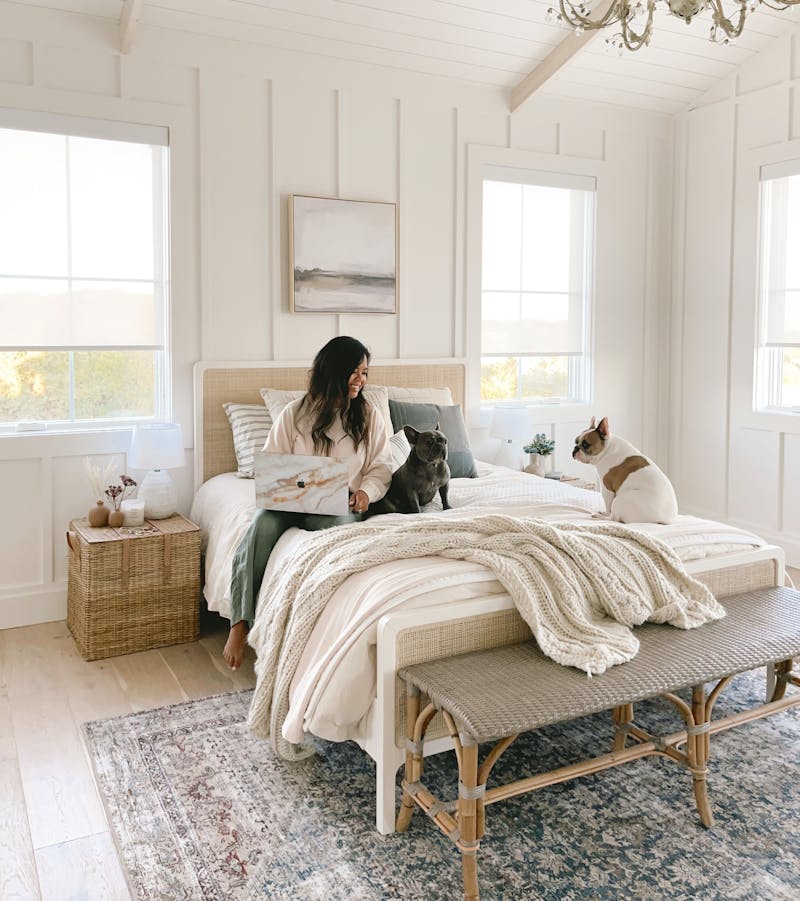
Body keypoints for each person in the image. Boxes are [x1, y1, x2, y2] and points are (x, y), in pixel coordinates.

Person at [223, 336, 392, 669]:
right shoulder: (294, 414)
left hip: (340, 506)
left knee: (333, 528)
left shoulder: (369, 416)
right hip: (291, 503)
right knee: (260, 525)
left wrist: (365, 494)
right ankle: (240, 623)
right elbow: (271, 464)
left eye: (365, 373)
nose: (361, 380)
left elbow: (381, 467)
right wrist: (287, 487)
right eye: (355, 371)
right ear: (334, 370)